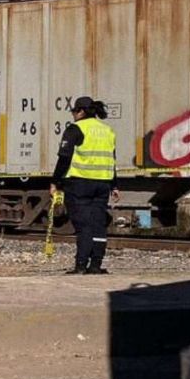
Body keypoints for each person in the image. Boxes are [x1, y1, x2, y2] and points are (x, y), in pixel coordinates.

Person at [50, 96, 120, 275]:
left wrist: (55, 182)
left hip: (79, 182)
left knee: (83, 225)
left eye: (74, 111)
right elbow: (111, 160)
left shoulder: (75, 129)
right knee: (98, 224)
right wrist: (115, 185)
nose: (73, 114)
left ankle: (81, 264)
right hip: (103, 184)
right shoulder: (108, 130)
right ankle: (96, 264)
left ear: (80, 111)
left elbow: (64, 158)